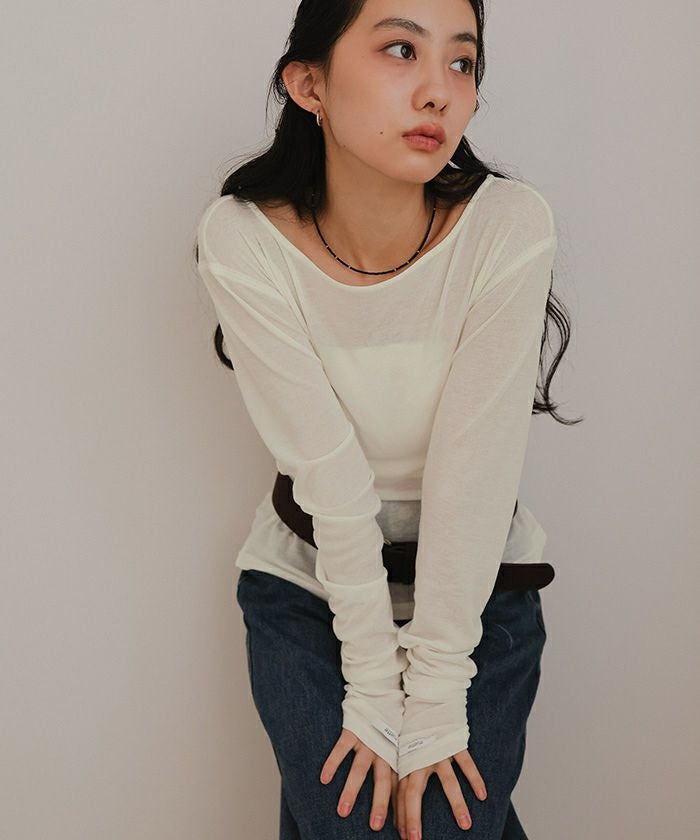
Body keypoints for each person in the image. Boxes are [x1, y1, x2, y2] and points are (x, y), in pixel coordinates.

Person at [195, 1, 580, 837]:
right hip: (308, 587)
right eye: (401, 49)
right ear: (310, 85)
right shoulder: (243, 240)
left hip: (480, 592)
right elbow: (331, 480)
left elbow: (473, 474)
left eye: (462, 62)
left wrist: (433, 695)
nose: (439, 90)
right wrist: (372, 684)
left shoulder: (508, 227)